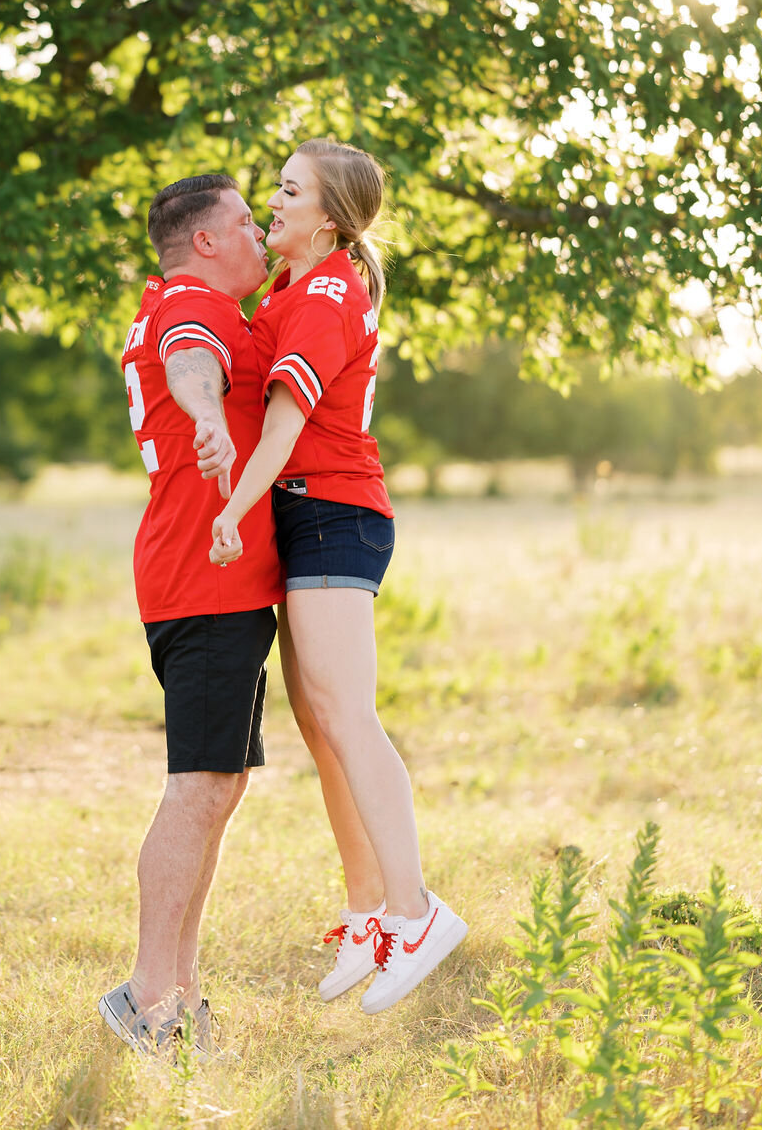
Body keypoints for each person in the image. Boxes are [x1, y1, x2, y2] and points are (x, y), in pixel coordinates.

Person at [210, 139, 467, 1015]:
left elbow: (282, 430)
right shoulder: (290, 286)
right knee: (321, 724)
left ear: (329, 216)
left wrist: (231, 510)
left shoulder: (324, 293)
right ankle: (368, 914)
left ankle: (416, 909)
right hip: (303, 512)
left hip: (330, 511)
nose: (270, 201)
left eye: (288, 190)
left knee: (346, 715)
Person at [99, 174, 284, 1056]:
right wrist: (208, 415)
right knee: (198, 786)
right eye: (246, 221)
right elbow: (188, 365)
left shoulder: (202, 304)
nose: (259, 231)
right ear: (204, 241)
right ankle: (145, 992)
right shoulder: (190, 305)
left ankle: (182, 996)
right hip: (202, 579)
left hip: (219, 581)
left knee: (221, 785)